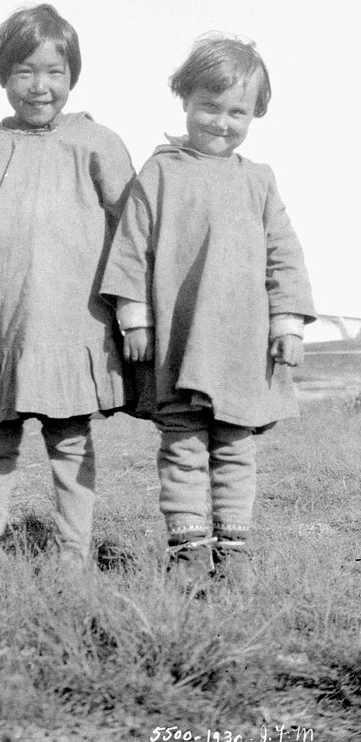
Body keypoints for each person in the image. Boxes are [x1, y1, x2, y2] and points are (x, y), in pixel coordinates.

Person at [100, 34, 316, 589]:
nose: (221, 122)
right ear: (185, 100)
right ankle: (189, 549)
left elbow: (283, 254)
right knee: (184, 445)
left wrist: (287, 322)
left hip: (242, 343)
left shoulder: (258, 179)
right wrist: (135, 318)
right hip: (178, 340)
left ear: (255, 114)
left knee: (235, 447)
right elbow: (130, 247)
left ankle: (235, 547)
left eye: (237, 111)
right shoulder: (161, 172)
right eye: (209, 106)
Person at [0, 4, 134, 586]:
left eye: (54, 71)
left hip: (72, 321)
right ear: (3, 76)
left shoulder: (98, 142)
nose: (40, 86)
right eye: (25, 71)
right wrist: (2, 259)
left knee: (70, 439)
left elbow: (131, 225)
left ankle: (73, 552)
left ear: (72, 75)